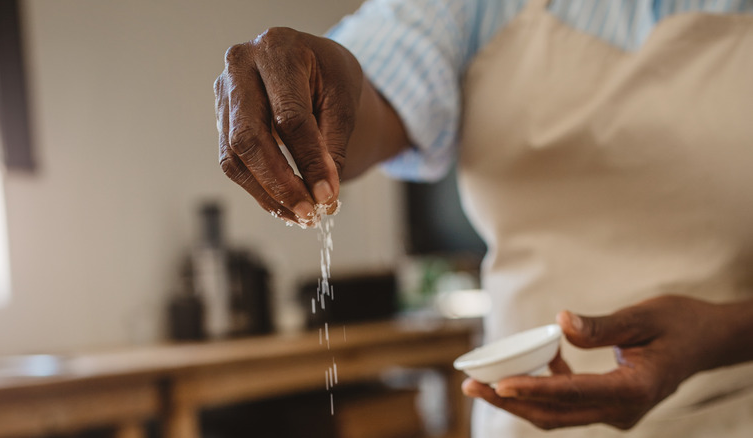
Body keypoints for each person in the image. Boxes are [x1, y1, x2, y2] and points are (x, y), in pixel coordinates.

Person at [214, 0, 753, 436]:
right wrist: (320, 77)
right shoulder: (473, 8)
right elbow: (366, 99)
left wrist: (725, 334)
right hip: (521, 419)